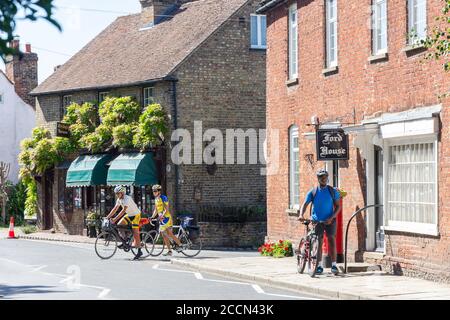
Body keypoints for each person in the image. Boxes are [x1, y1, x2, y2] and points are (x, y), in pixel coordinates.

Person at [298, 169, 341, 275]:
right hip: (317, 221)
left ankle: (334, 265)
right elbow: (305, 204)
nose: (324, 179)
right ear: (318, 179)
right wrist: (301, 214)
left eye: (325, 177)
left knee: (331, 240)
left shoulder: (332, 191)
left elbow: (338, 206)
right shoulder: (313, 192)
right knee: (319, 242)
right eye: (321, 177)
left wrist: (332, 217)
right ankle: (319, 266)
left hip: (330, 220)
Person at [106, 186, 143, 260]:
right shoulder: (119, 199)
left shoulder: (127, 198)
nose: (116, 195)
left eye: (118, 193)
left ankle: (139, 251)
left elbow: (123, 211)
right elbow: (115, 208)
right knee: (119, 225)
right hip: (129, 215)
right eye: (116, 194)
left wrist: (115, 219)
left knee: (136, 232)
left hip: (136, 215)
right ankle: (126, 240)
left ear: (122, 193)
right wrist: (107, 217)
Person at [151, 184, 183, 256]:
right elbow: (156, 210)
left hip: (167, 218)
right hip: (162, 219)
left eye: (155, 191)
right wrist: (152, 217)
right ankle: (169, 251)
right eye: (153, 191)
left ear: (159, 191)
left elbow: (166, 209)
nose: (154, 192)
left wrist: (162, 215)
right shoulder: (156, 199)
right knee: (164, 235)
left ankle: (180, 245)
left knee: (169, 234)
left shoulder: (163, 198)